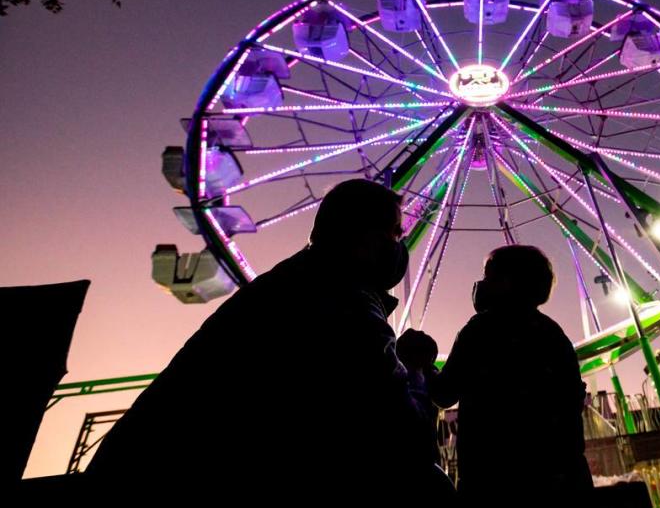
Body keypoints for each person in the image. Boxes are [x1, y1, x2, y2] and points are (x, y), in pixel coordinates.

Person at [86, 179, 447, 497]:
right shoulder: (347, 302)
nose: (399, 248)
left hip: (141, 468)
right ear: (367, 240)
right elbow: (405, 435)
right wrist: (415, 369)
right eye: (396, 235)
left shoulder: (282, 286)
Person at [421, 244, 593, 500]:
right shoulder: (553, 334)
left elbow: (445, 393)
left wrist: (424, 365)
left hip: (493, 476)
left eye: (489, 277)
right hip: (560, 476)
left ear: (508, 282)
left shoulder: (480, 330)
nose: (482, 284)